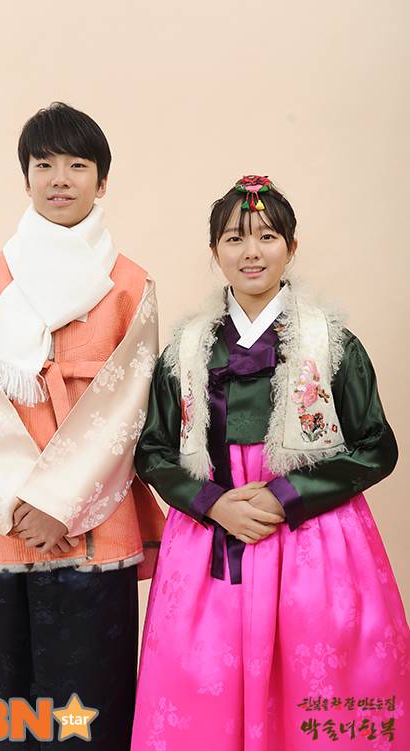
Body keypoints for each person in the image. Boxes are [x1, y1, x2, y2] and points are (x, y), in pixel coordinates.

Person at [131, 175, 410, 750]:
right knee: (198, 682)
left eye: (267, 236)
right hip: (213, 536)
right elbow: (153, 450)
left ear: (292, 246)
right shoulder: (186, 348)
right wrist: (212, 504)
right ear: (214, 251)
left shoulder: (332, 342)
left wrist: (286, 495)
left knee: (320, 676)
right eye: (234, 238)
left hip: (313, 534)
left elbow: (376, 446)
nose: (251, 252)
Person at [0, 101, 165, 750]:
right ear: (25, 177)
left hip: (93, 515)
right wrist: (18, 501)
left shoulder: (130, 284)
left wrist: (60, 501)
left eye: (78, 165)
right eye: (44, 164)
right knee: (4, 703)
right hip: (1, 517)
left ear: (102, 181)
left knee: (91, 701)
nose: (60, 178)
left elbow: (129, 404)